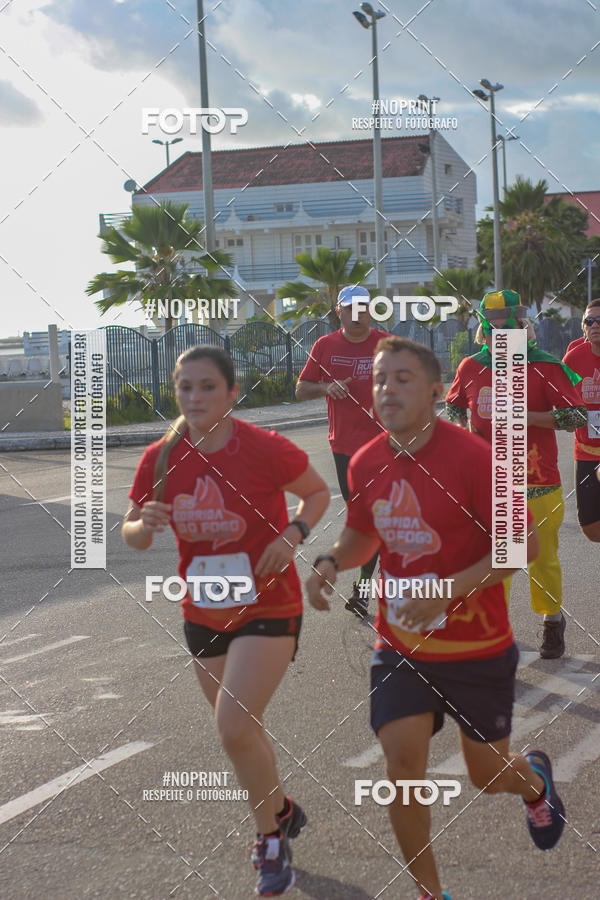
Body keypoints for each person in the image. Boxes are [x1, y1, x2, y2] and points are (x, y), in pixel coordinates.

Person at [306, 336, 566, 900]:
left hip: (477, 648)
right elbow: (363, 532)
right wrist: (331, 560)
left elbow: (521, 544)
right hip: (400, 646)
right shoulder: (367, 461)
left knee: (487, 775)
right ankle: (430, 893)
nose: (387, 389)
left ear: (434, 390)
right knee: (401, 772)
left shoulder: (476, 459)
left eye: (402, 378)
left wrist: (447, 591)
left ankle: (534, 782)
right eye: (380, 379)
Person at [122, 345, 330, 896]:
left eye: (207, 386)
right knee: (245, 731)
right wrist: (144, 524)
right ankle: (281, 809)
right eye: (185, 386)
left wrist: (293, 535)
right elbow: (133, 534)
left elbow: (316, 493)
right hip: (203, 609)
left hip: (269, 604)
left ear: (232, 393)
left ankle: (269, 841)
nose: (194, 397)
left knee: (233, 726)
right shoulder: (161, 457)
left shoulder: (264, 447)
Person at [445, 290, 587, 659]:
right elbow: (453, 404)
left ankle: (552, 621)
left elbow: (576, 415)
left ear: (522, 328)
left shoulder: (545, 366)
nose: (500, 337)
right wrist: (461, 433)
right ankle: (496, 631)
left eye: (507, 330)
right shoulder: (471, 367)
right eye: (492, 330)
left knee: (542, 558)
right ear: (484, 331)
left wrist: (528, 417)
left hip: (539, 481)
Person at [296, 284, 392, 617]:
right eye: (350, 308)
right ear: (339, 311)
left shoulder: (387, 344)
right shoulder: (325, 346)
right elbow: (301, 388)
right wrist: (326, 387)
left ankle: (367, 592)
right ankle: (371, 590)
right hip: (345, 448)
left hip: (386, 444)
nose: (357, 313)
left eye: (363, 307)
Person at [563, 298, 600, 541]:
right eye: (590, 320)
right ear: (583, 327)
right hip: (586, 451)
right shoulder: (573, 359)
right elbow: (561, 400)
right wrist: (568, 416)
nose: (595, 325)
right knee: (589, 527)